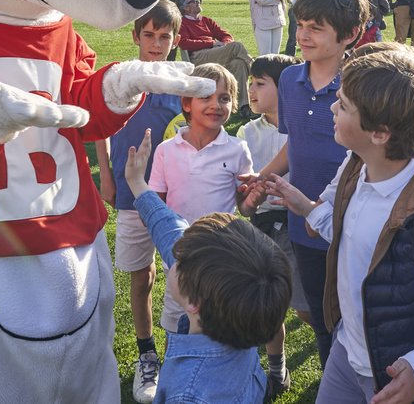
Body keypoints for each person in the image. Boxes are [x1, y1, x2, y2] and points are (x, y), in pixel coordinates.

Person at [266, 47, 414, 404]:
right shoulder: (357, 167)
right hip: (347, 352)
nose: (333, 107)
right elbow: (356, 236)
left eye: (344, 105)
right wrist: (306, 208)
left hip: (396, 377)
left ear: (379, 133)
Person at [250, 0, 371, 369]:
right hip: (302, 224)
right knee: (320, 318)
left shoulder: (363, 85)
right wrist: (261, 178)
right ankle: (330, 380)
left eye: (316, 27)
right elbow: (294, 145)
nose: (302, 35)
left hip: (351, 222)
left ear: (350, 34)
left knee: (357, 317)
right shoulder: (289, 80)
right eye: (300, 24)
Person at [124, 130, 292, 404]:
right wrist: (138, 186)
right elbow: (170, 230)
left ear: (194, 303)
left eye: (180, 263)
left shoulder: (189, 394)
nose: (174, 259)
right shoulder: (237, 320)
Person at [91, 0, 185, 403]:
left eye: (164, 36)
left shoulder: (182, 84)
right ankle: (147, 352)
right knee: (141, 275)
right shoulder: (119, 79)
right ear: (135, 35)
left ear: (175, 40)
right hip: (130, 195)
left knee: (183, 276)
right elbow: (99, 127)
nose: (156, 43)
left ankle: (181, 349)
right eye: (149, 34)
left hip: (173, 198)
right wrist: (107, 177)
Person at [149, 63, 256, 334]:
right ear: (186, 103)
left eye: (224, 98)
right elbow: (156, 205)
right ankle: (177, 368)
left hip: (222, 251)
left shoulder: (237, 149)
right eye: (205, 97)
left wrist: (251, 200)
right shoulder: (166, 150)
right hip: (179, 252)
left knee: (220, 319)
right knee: (177, 320)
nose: (215, 105)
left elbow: (243, 206)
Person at [235, 53, 305, 399]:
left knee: (306, 306)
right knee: (266, 307)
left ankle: (337, 349)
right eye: (250, 83)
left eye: (260, 83)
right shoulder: (246, 132)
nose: (251, 89)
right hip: (260, 227)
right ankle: (276, 367)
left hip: (297, 223)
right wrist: (249, 198)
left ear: (286, 89)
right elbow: (241, 197)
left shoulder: (303, 128)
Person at [175, 0, 254, 119]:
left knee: (238, 64)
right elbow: (184, 43)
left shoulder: (206, 20)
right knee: (236, 46)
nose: (197, 2)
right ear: (186, 8)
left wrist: (224, 44)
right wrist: (211, 43)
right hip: (198, 56)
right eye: (193, 1)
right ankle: (256, 70)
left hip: (215, 53)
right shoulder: (182, 23)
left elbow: (226, 35)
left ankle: (244, 107)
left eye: (197, 0)